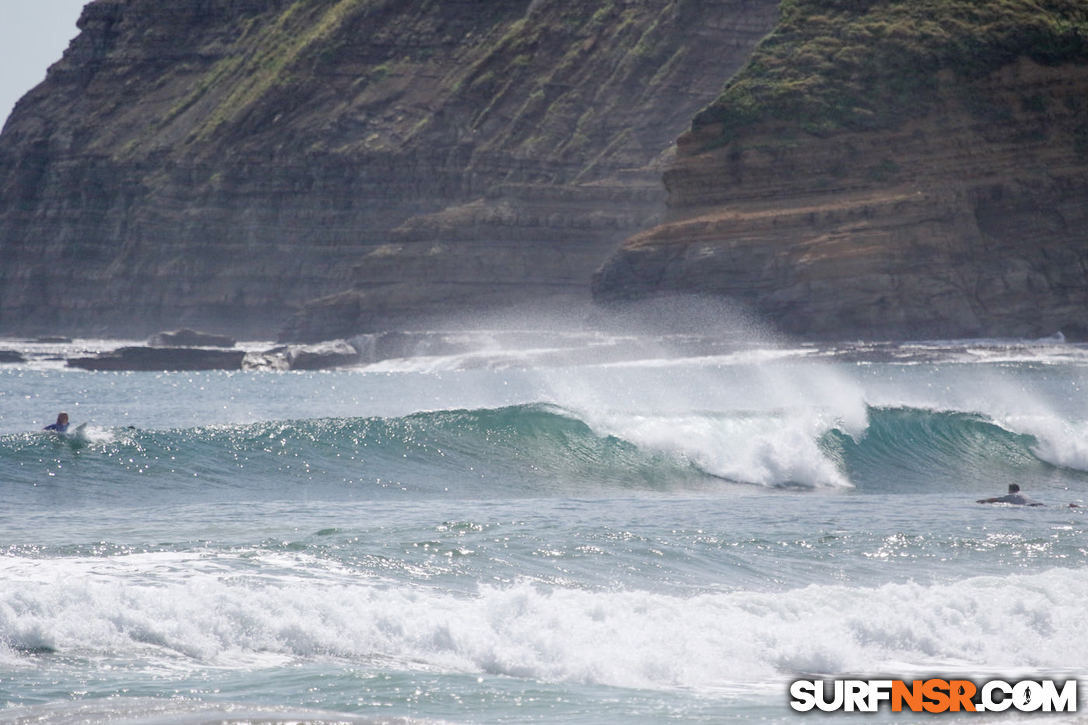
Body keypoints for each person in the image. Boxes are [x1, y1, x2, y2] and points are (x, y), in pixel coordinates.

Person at [977, 483, 1043, 506]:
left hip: (1030, 506)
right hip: (1037, 504)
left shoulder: (1011, 496)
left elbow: (996, 500)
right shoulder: (1024, 494)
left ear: (1010, 490)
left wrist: (984, 501)